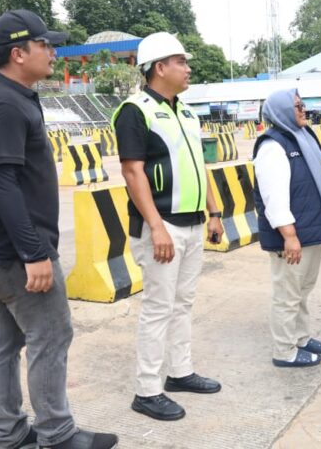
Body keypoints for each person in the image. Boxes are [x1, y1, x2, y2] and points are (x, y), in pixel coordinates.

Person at [0, 9, 118, 449]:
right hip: (9, 251)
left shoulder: (12, 97)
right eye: (45, 45)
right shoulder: (1, 105)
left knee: (5, 342)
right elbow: (2, 183)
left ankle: (9, 434)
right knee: (51, 333)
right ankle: (57, 434)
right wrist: (34, 254)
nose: (53, 52)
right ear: (18, 53)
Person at [112, 32, 224, 421]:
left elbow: (198, 164)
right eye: (181, 61)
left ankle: (180, 372)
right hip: (162, 226)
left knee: (184, 303)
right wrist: (156, 227)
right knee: (158, 309)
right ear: (159, 67)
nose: (188, 67)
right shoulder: (135, 111)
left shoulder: (187, 112)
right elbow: (132, 171)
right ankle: (147, 390)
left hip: (193, 224)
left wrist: (214, 212)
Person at [253, 89, 321, 367]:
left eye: (303, 104)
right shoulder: (272, 146)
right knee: (288, 295)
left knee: (302, 289)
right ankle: (284, 350)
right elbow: (274, 197)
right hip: (292, 236)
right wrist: (289, 236)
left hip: (309, 230)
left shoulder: (301, 137)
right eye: (297, 106)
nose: (303, 110)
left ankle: (301, 337)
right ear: (281, 111)